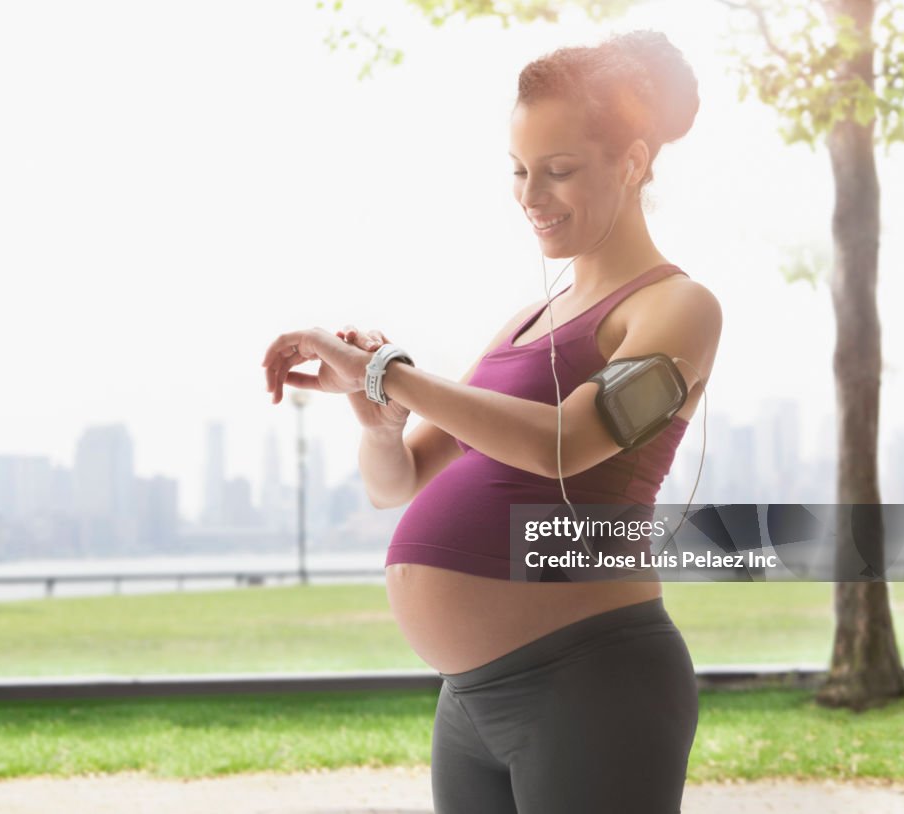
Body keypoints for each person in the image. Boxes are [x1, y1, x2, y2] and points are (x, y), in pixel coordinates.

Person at [263, 29, 722, 814]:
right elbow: (398, 481)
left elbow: (568, 443)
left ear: (634, 163)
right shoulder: (524, 323)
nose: (530, 197)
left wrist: (389, 370)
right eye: (518, 171)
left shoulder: (677, 309)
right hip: (468, 700)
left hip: (591, 682)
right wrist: (377, 417)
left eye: (559, 171)